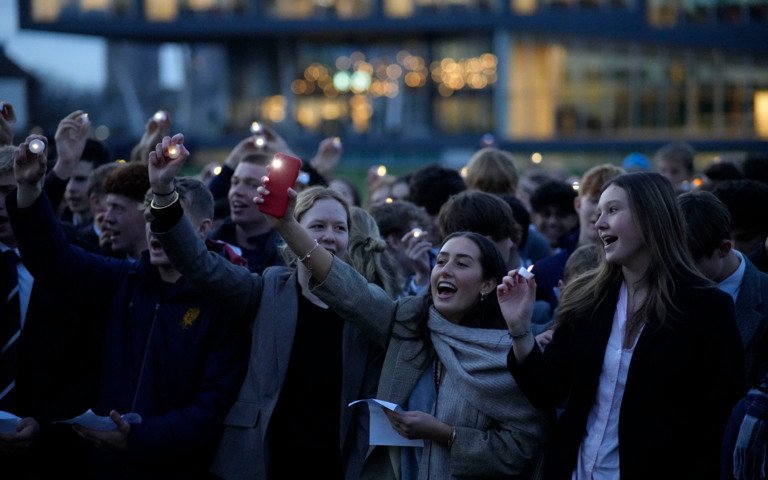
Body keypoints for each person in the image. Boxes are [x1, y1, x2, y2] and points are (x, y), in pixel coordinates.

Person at [8, 135, 250, 478]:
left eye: (170, 220)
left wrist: (137, 438)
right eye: (151, 219)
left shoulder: (224, 301)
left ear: (204, 229)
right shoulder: (126, 281)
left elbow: (211, 407)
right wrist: (30, 190)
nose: (156, 231)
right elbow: (55, 262)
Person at [147, 134, 384, 480]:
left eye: (340, 228)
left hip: (334, 463)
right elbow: (200, 264)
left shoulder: (365, 304)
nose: (330, 236)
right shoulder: (268, 288)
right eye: (317, 226)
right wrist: (164, 193)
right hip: (263, 461)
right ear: (293, 231)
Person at [501, 171, 745, 479]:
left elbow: (719, 421)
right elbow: (547, 390)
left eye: (613, 210)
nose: (599, 222)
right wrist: (520, 328)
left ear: (652, 217)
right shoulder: (587, 298)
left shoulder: (707, 308)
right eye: (599, 211)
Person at [532, 164, 624, 311]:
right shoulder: (545, 270)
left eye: (612, 206)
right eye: (594, 201)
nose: (600, 211)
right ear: (578, 204)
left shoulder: (631, 272)